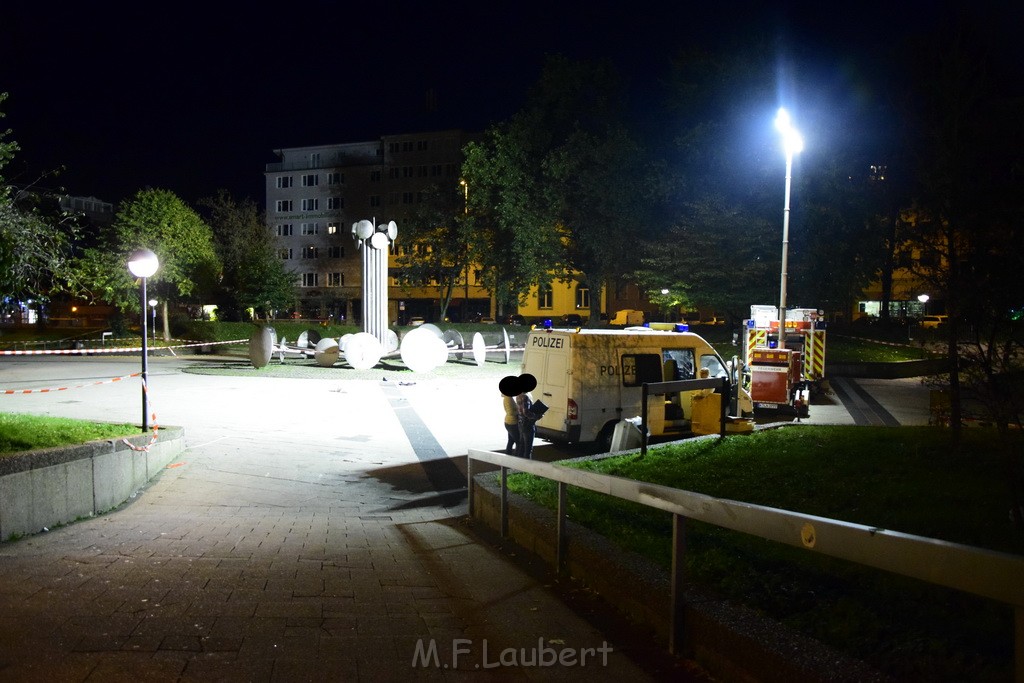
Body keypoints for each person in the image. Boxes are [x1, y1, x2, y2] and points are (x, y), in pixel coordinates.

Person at [515, 373, 538, 459]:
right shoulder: (525, 396)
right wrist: (536, 416)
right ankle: (527, 467)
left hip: (521, 422)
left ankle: (518, 466)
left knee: (522, 445)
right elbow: (526, 412)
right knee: (528, 448)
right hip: (527, 423)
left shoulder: (519, 395)